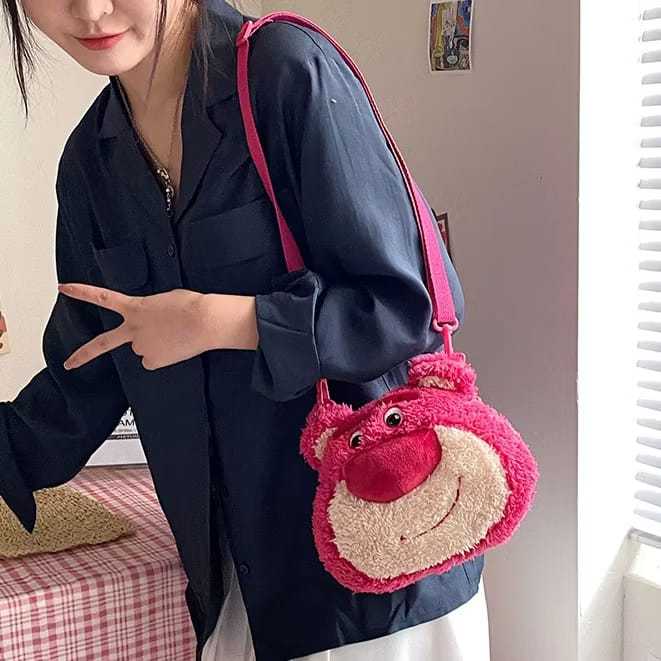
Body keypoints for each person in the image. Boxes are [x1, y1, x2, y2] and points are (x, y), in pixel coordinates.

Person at [1, 1, 490, 659]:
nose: (90, 9)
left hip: (378, 571)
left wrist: (226, 321)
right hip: (234, 584)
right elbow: (82, 380)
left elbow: (409, 305)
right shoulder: (92, 162)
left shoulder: (282, 71)